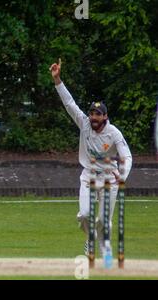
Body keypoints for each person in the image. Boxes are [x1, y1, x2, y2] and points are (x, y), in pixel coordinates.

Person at [50, 59, 132, 256]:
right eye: (91, 113)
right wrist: (57, 79)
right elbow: (69, 103)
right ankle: (89, 238)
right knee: (85, 214)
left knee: (104, 220)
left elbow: (127, 157)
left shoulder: (114, 133)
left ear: (105, 116)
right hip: (88, 176)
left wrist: (122, 176)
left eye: (97, 114)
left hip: (109, 179)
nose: (93, 117)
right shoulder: (84, 124)